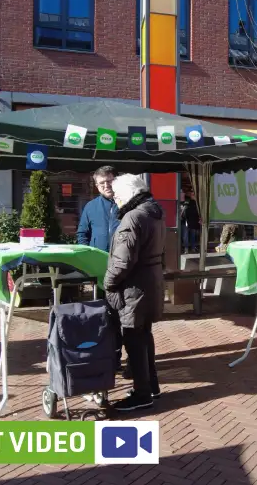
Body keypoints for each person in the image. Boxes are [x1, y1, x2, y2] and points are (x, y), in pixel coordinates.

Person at [104, 174, 166, 412]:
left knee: (133, 337)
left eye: (118, 196)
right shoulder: (154, 213)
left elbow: (122, 261)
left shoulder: (133, 217)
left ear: (129, 194)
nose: (116, 200)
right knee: (144, 335)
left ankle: (142, 393)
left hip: (135, 287)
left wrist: (108, 283)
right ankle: (152, 386)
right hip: (151, 282)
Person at [77, 166, 120, 252]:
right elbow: (82, 234)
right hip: (97, 258)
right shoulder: (90, 206)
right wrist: (86, 255)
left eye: (109, 181)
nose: (106, 185)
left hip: (123, 259)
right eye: (102, 183)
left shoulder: (129, 204)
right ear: (97, 186)